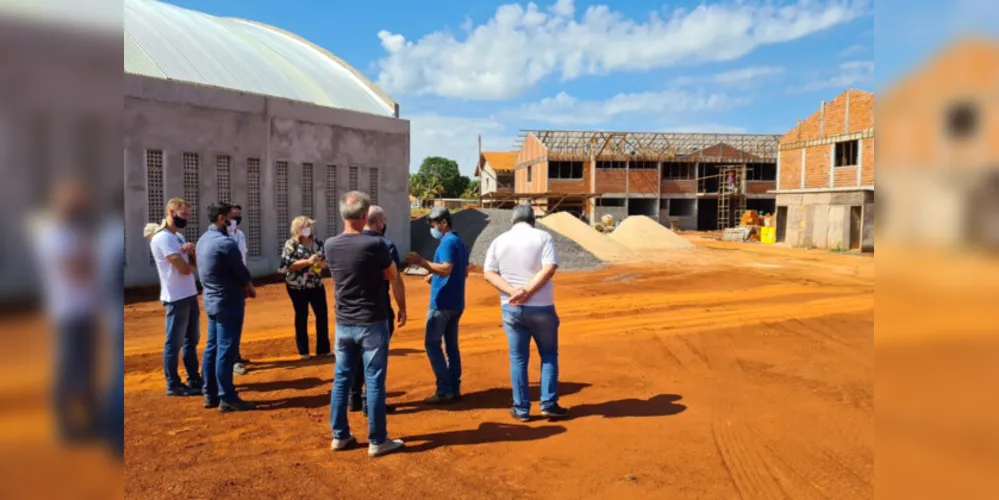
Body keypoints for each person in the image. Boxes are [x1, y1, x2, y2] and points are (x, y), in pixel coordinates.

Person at [325, 191, 404, 458]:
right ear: (365, 214)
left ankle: (339, 435)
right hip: (372, 321)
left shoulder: (330, 245)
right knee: (374, 380)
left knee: (342, 380)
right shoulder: (376, 245)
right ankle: (377, 440)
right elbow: (391, 274)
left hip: (344, 321)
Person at [483, 205, 569, 421]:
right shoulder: (543, 237)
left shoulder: (498, 240)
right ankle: (548, 404)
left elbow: (488, 273)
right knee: (548, 355)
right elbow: (549, 268)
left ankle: (521, 409)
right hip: (542, 307)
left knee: (518, 358)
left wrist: (513, 292)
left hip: (511, 307)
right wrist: (528, 291)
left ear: (513, 220)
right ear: (533, 220)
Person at [33, 180, 100, 441]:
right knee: (68, 368)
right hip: (67, 311)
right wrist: (87, 261)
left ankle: (89, 420)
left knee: (86, 367)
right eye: (75, 203)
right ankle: (65, 426)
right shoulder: (52, 233)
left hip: (84, 309)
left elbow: (89, 263)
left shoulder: (75, 232)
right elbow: (75, 266)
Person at [197, 202, 257, 412]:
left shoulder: (203, 239)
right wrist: (248, 285)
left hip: (211, 301)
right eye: (230, 216)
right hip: (228, 301)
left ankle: (210, 393)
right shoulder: (226, 243)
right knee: (226, 349)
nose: (233, 220)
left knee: (212, 347)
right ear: (221, 218)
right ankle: (227, 396)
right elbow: (240, 271)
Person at [404, 207, 468, 404]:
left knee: (432, 344)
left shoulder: (448, 242)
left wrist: (421, 262)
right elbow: (460, 271)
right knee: (451, 347)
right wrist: (434, 275)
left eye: (433, 224)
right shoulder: (458, 242)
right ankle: (453, 387)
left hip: (442, 304)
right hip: (455, 301)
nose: (432, 227)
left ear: (444, 223)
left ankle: (444, 389)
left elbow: (447, 268)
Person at [350, 205, 407, 416]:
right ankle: (370, 402)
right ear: (380, 222)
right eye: (384, 221)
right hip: (377, 310)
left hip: (350, 312)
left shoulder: (348, 241)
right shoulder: (385, 245)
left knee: (355, 356)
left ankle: (354, 398)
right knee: (375, 359)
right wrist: (402, 308)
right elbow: (395, 280)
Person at [144, 198, 202, 397]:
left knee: (191, 340)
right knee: (174, 343)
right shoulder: (163, 238)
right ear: (170, 212)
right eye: (183, 214)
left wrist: (192, 252)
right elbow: (186, 269)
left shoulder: (177, 237)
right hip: (176, 297)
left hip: (189, 293)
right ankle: (173, 383)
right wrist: (192, 260)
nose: (186, 218)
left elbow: (192, 265)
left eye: (188, 214)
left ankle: (194, 377)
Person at [279, 216, 330, 360]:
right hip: (297, 286)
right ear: (298, 229)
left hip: (316, 284)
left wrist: (320, 264)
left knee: (322, 315)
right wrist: (307, 262)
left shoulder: (318, 243)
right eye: (305, 226)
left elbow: (324, 262)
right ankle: (303, 351)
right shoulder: (291, 244)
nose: (309, 229)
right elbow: (287, 265)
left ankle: (323, 349)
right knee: (302, 316)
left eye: (310, 226)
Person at [227, 204, 251, 373]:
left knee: (238, 321)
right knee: (229, 323)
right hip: (228, 285)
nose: (236, 218)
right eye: (233, 215)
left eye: (238, 214)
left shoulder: (240, 234)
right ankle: (232, 360)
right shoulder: (223, 235)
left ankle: (236, 353)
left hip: (240, 283)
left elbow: (243, 260)